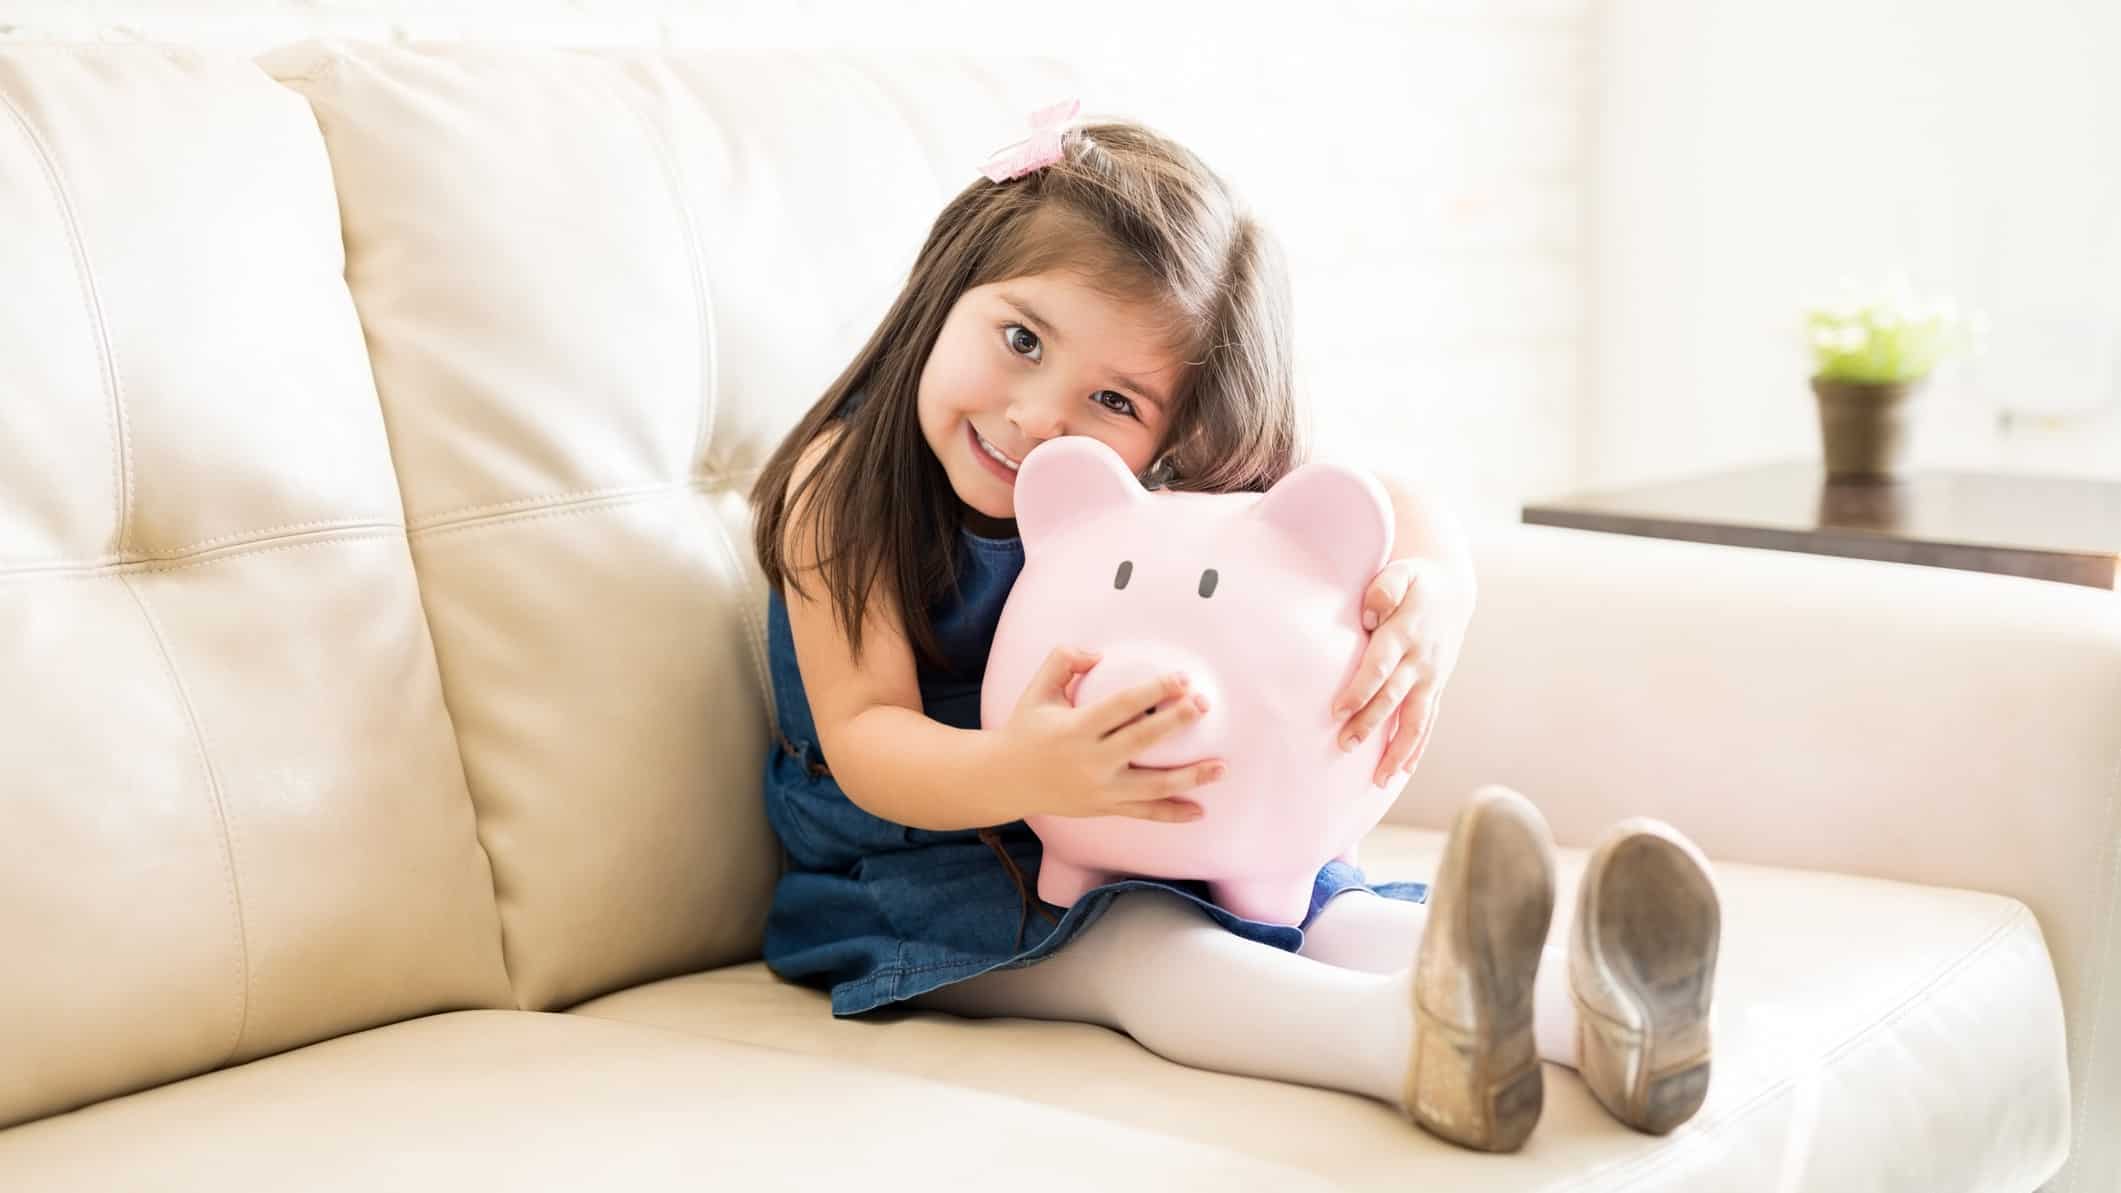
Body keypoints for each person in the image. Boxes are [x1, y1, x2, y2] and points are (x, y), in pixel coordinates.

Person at [747, 103, 1721, 1152]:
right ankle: (1407, 1044)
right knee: (1145, 945)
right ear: (945, 291)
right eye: (1021, 339)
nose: (1039, 416)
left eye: (1114, 398)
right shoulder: (841, 491)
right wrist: (1029, 772)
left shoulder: (1150, 485)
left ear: (1179, 426)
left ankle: (1603, 1012)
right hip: (917, 867)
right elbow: (869, 743)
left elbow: (1388, 498)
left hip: (1134, 825)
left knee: (1322, 910)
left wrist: (1438, 592)